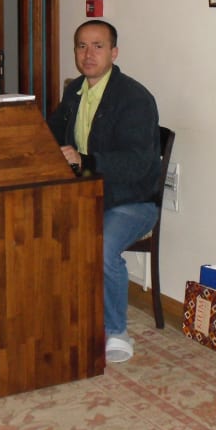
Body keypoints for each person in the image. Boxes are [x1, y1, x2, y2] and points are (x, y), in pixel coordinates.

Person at [47, 19, 161, 364]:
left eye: (98, 46)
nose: (88, 54)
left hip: (132, 200)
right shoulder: (74, 92)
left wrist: (84, 161)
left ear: (114, 52)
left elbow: (137, 163)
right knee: (31, 223)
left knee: (102, 246)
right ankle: (56, 314)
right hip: (88, 192)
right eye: (82, 46)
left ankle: (116, 331)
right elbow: (50, 134)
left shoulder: (134, 99)